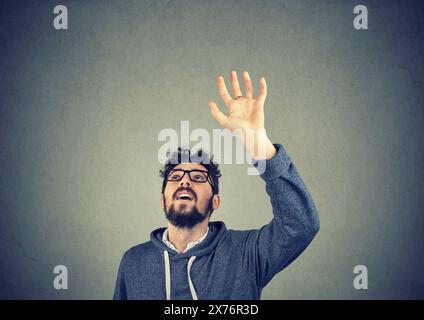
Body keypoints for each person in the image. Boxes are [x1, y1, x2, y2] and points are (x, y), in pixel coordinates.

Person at [113, 70, 320, 300]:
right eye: (176, 176)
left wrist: (256, 142)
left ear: (215, 201)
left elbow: (300, 225)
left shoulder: (247, 253)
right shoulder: (133, 261)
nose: (185, 180)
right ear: (162, 199)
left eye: (198, 177)